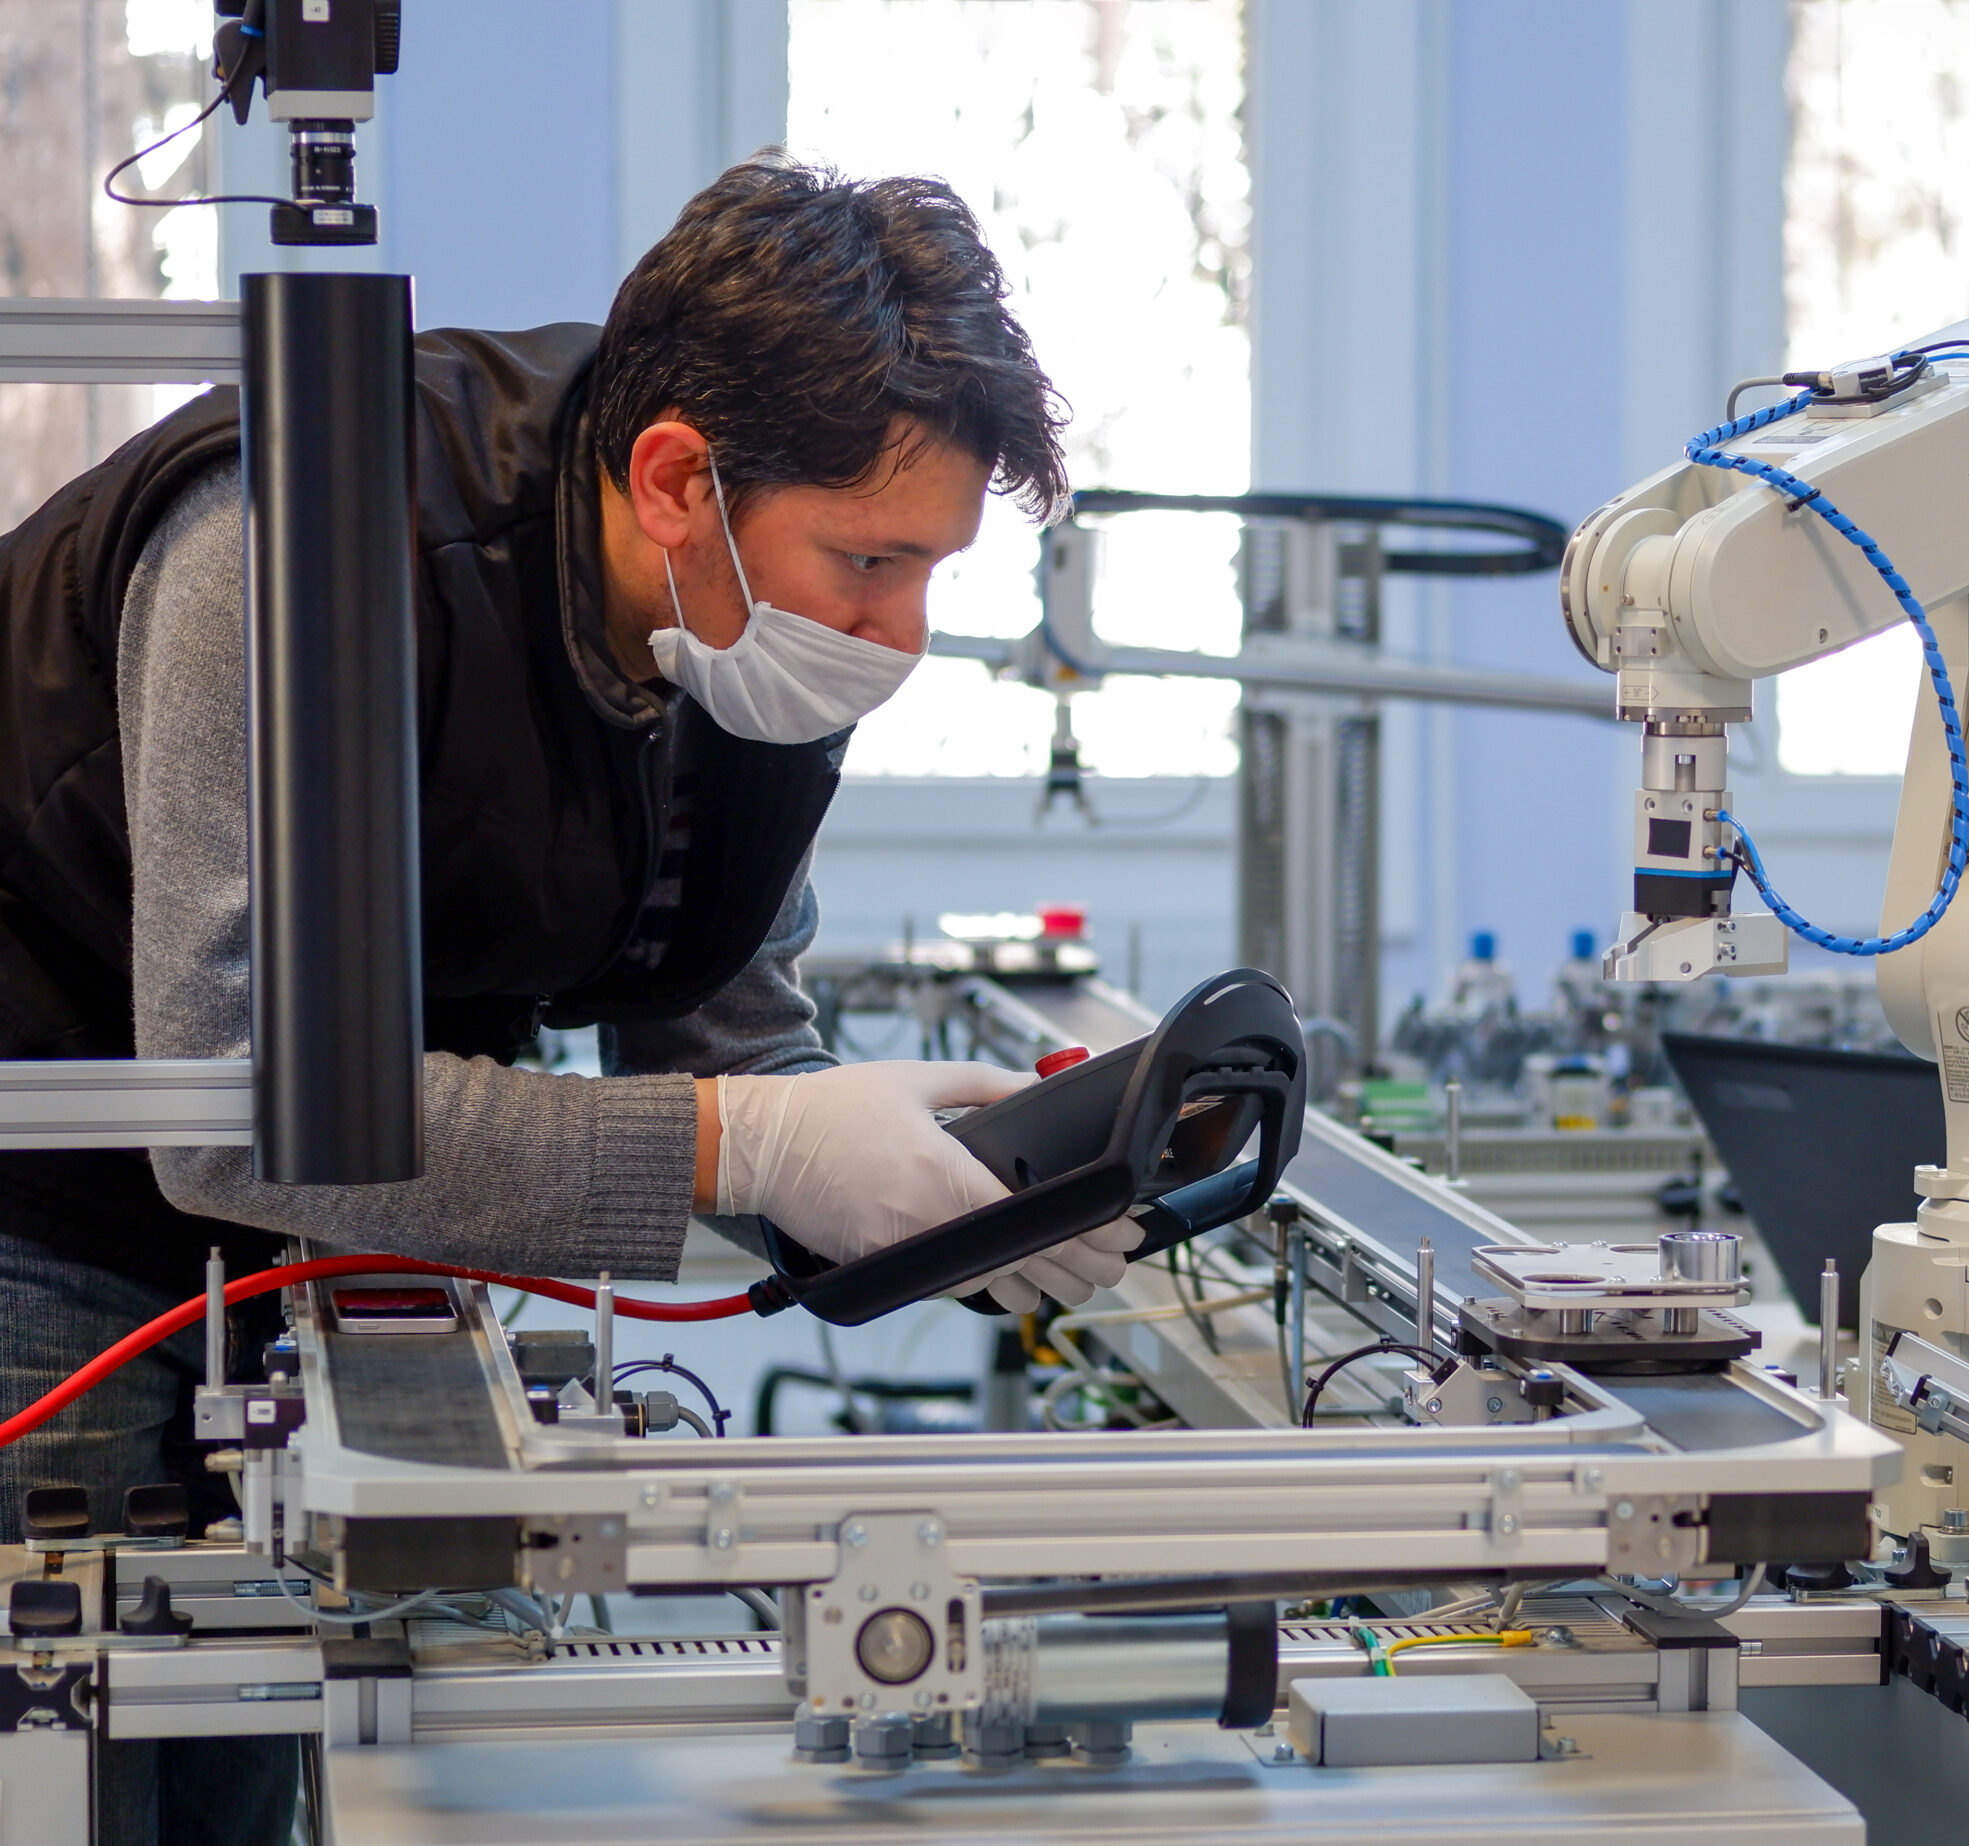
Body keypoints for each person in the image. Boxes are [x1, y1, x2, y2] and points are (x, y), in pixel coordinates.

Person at [0, 154, 1136, 1839]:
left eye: (931, 572)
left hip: (332, 1215)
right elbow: (236, 1113)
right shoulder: (296, 545)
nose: (900, 634)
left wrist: (967, 1208)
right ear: (676, 476)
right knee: (88, 1744)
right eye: (870, 563)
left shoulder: (750, 634)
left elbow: (728, 1040)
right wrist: (748, 1144)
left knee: (249, 1756)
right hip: (54, 1171)